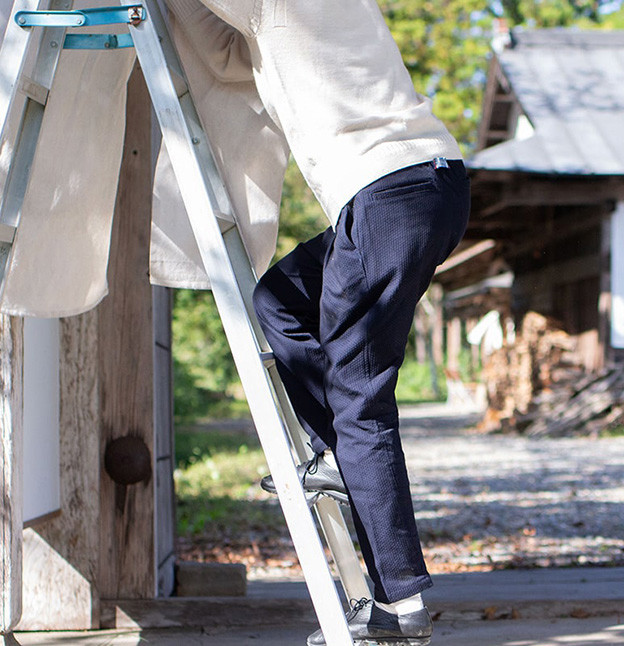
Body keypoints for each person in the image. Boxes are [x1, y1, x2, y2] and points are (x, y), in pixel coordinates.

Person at [166, 1, 470, 643]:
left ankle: (401, 609)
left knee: (362, 404)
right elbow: (226, 54)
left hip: (388, 192)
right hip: (419, 187)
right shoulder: (280, 18)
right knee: (280, 300)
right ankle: (342, 454)